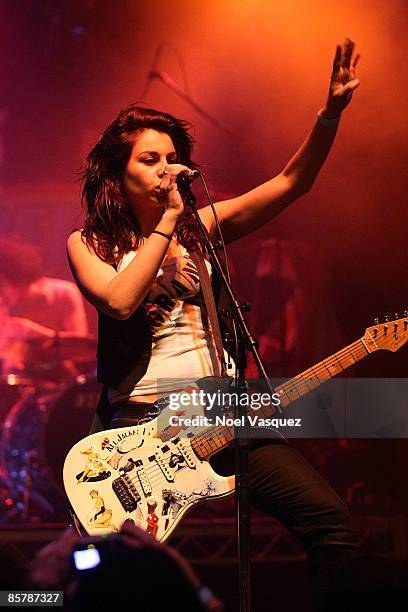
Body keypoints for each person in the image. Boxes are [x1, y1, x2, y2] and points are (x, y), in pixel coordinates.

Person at [67, 38, 360, 611]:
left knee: (331, 521)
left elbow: (290, 183)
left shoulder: (201, 226)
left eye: (171, 158)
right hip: (142, 427)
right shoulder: (90, 243)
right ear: (115, 173)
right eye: (148, 160)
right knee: (122, 578)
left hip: (219, 410)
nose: (164, 169)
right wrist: (168, 226)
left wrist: (329, 115)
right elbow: (120, 302)